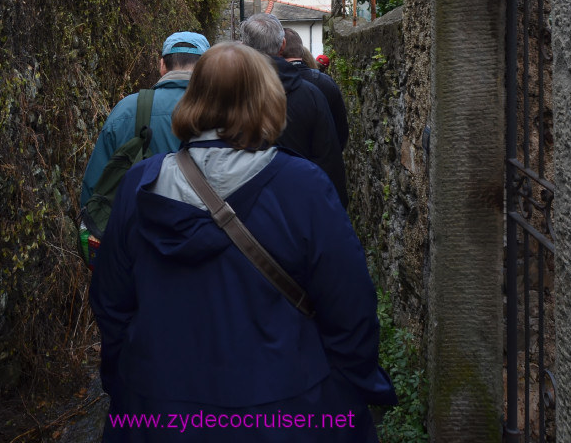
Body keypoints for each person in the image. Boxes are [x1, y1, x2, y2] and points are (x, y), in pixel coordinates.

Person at [90, 42, 396, 441]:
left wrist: (128, 388)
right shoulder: (303, 186)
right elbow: (351, 308)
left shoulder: (140, 184)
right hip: (286, 410)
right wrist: (343, 390)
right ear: (267, 100)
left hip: (160, 411)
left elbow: (111, 303)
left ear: (194, 98)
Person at [80, 31, 210, 206]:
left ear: (162, 65)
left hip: (138, 229)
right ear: (207, 68)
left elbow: (96, 184)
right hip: (203, 228)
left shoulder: (127, 110)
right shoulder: (226, 111)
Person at [240, 13, 348, 208]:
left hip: (244, 215)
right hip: (302, 207)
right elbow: (330, 158)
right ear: (282, 46)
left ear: (244, 47)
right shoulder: (312, 94)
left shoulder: (229, 93)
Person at [282, 27, 349, 150]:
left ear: (280, 48)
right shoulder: (326, 82)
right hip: (322, 162)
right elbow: (341, 131)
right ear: (301, 51)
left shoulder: (271, 84)